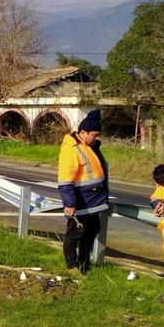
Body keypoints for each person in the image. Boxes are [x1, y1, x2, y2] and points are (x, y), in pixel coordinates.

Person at [57, 109, 109, 273]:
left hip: (93, 200)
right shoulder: (73, 149)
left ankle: (83, 264)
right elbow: (66, 180)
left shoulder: (90, 146)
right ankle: (71, 266)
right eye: (94, 135)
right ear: (83, 132)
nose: (96, 138)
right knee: (75, 233)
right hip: (80, 201)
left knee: (92, 230)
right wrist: (70, 203)